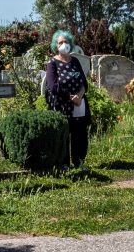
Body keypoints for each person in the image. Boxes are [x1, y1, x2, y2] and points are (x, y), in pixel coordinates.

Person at [45, 30, 90, 169]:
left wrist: (80, 95)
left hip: (79, 103)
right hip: (61, 105)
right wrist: (71, 98)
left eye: (66, 42)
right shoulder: (52, 63)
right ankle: (63, 164)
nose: (64, 44)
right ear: (56, 46)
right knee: (63, 134)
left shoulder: (75, 61)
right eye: (60, 42)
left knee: (80, 134)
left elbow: (84, 83)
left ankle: (79, 161)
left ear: (70, 44)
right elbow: (53, 87)